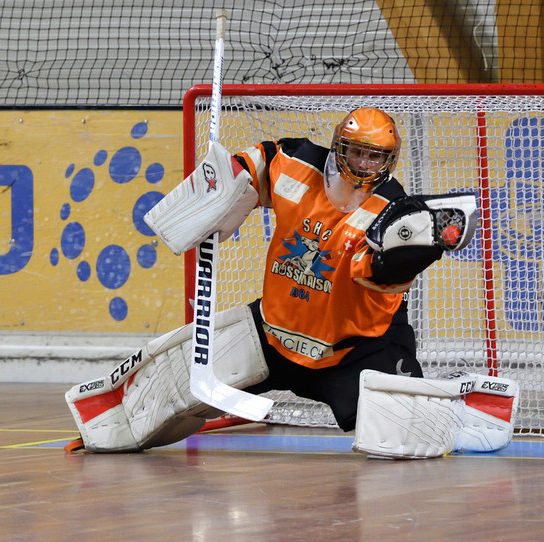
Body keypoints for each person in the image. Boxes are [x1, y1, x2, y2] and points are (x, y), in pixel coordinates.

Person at [65, 108, 518, 458]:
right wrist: (224, 191)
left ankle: (457, 404)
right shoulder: (296, 162)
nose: (363, 163)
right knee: (166, 391)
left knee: (403, 436)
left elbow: (378, 273)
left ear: (388, 160)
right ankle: (103, 430)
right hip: (274, 334)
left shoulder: (392, 213)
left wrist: (420, 248)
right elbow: (255, 164)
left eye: (374, 155)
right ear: (338, 145)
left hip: (354, 349)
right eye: (355, 150)